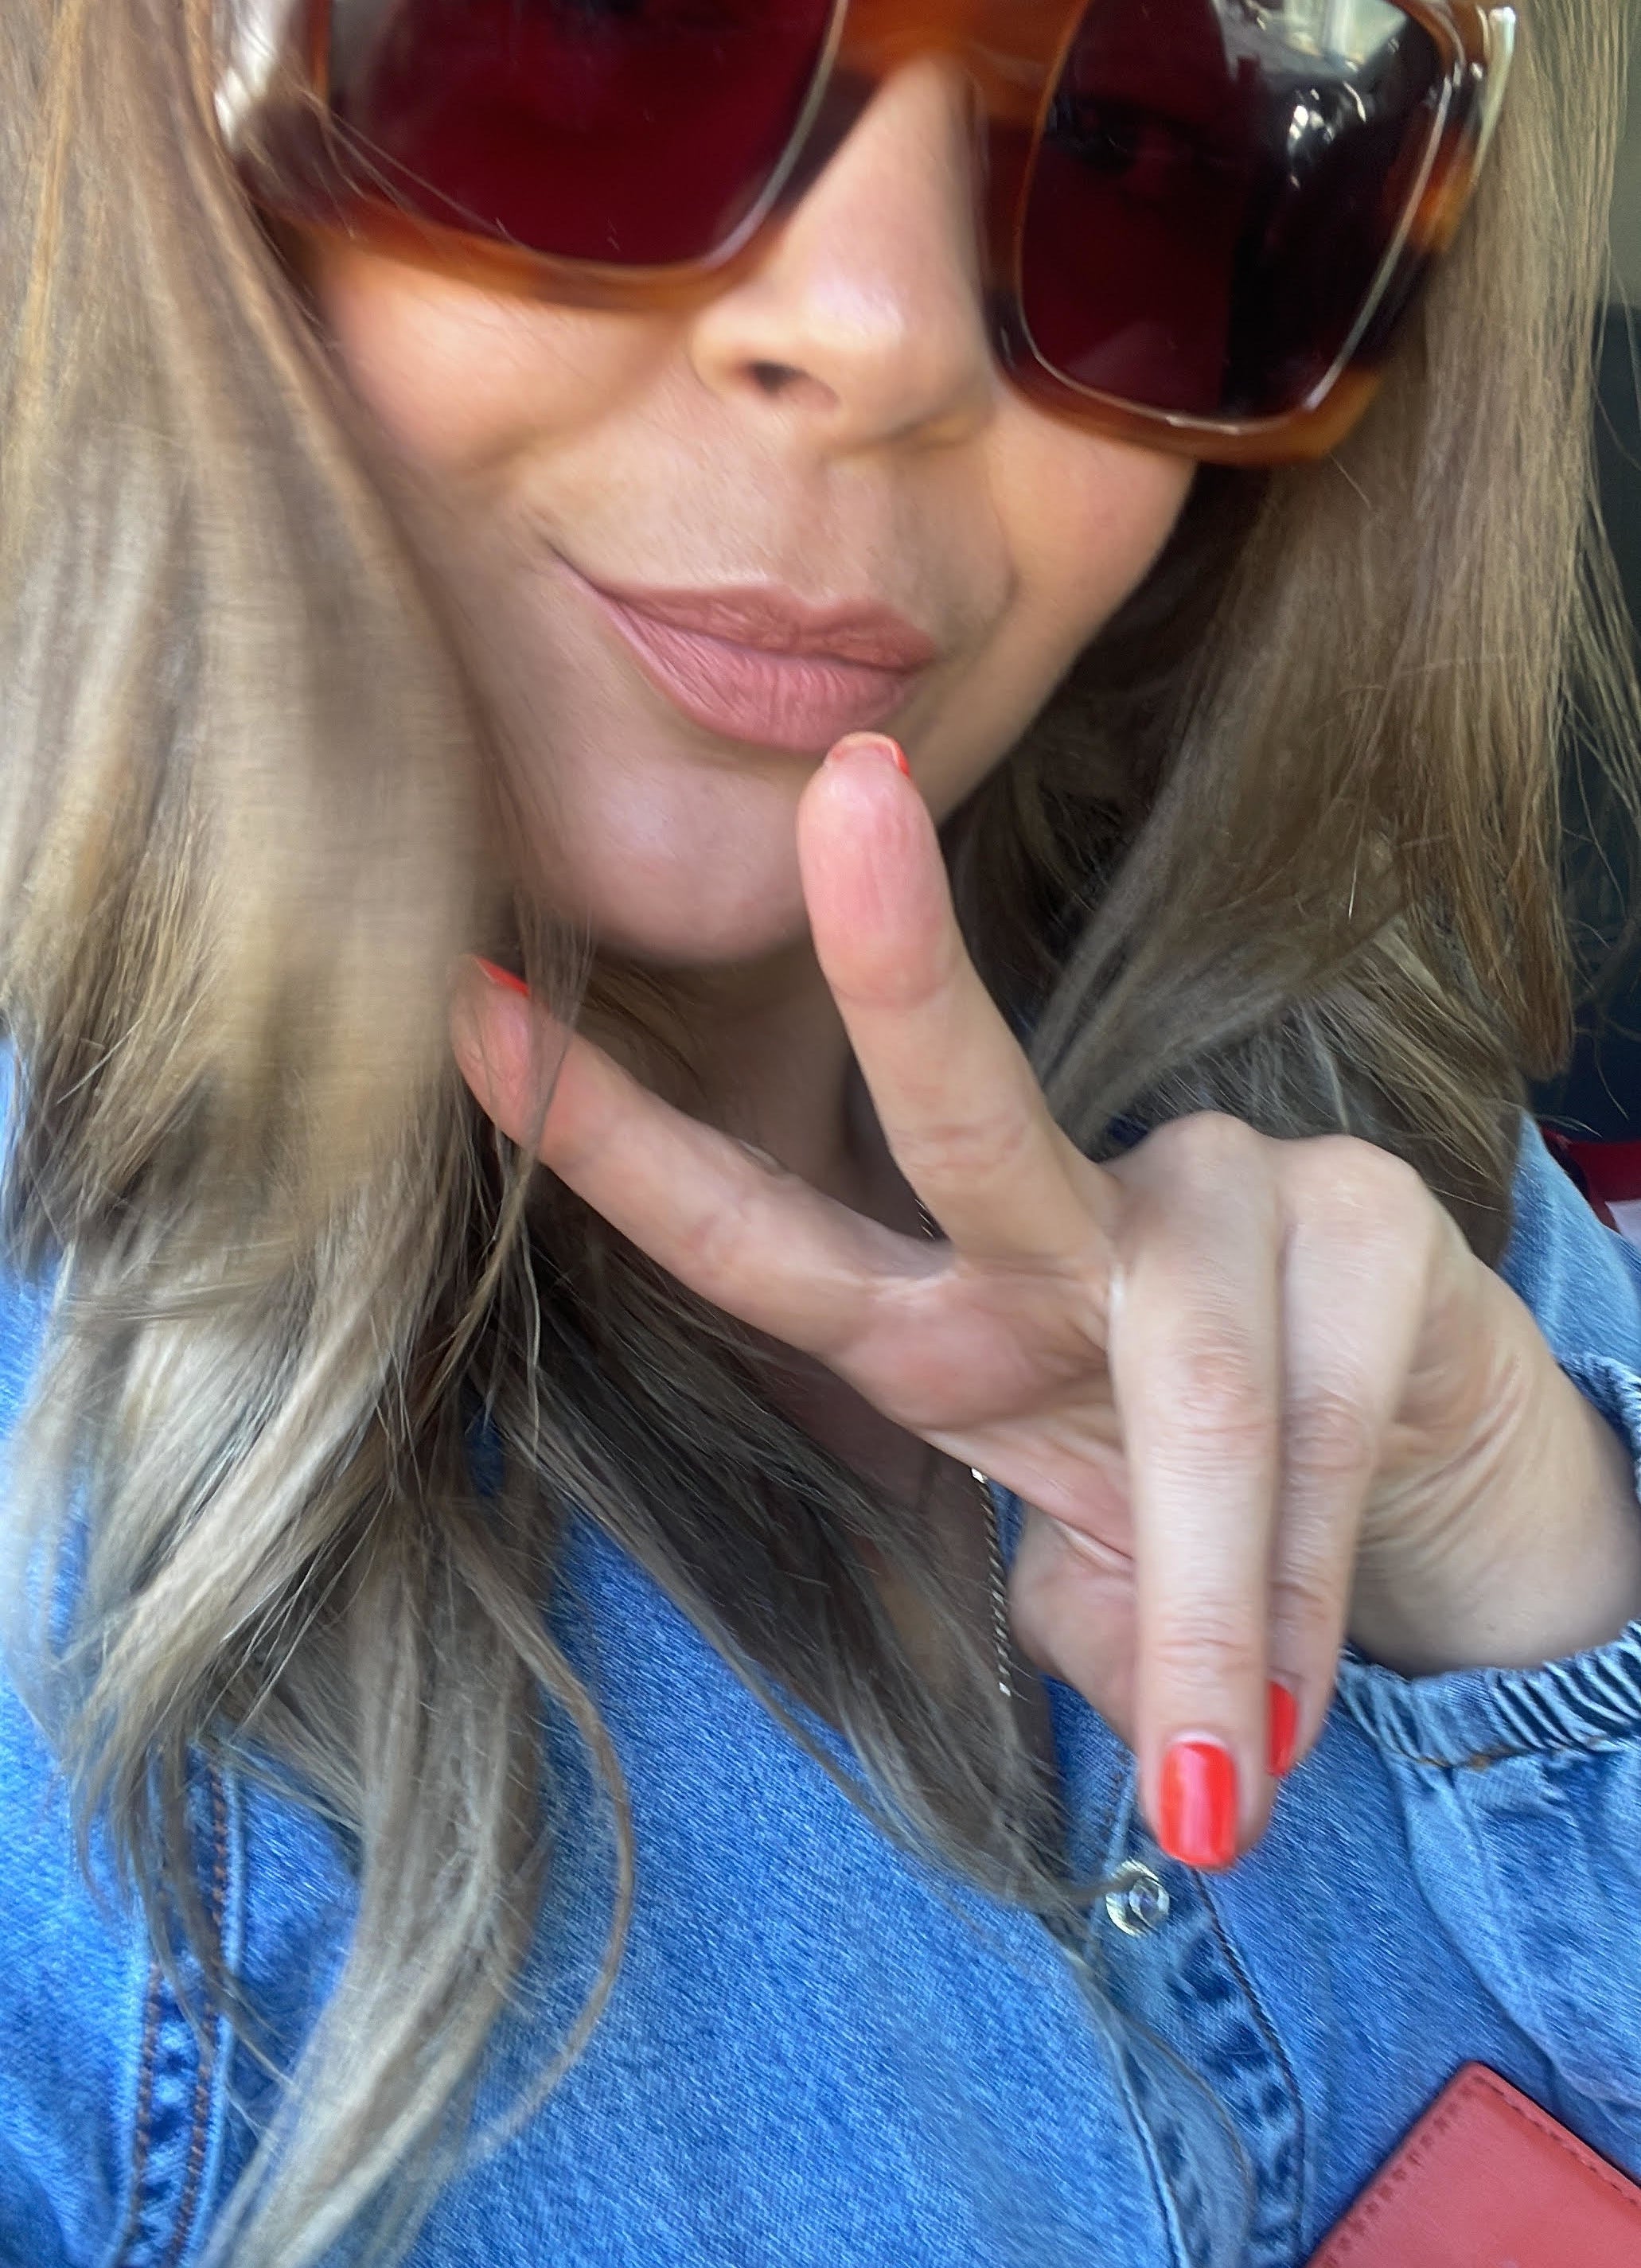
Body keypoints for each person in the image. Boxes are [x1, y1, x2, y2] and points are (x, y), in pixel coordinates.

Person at [1, 2, 1639, 2263]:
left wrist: (1542, 1571)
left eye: (1146, 153)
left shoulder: (1404, 1187)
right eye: (598, 37)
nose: (878, 332)